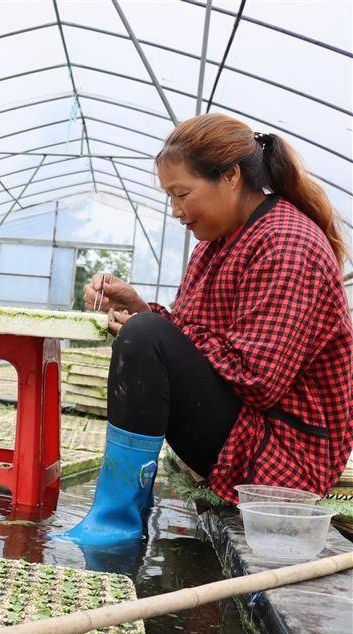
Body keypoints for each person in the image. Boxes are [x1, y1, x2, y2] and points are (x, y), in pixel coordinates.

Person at [65, 113, 353, 549]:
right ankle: (123, 514)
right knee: (142, 335)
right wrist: (143, 311)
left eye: (182, 194)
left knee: (144, 338)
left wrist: (151, 329)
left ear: (231, 176)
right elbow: (190, 334)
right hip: (246, 427)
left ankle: (115, 523)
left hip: (282, 452)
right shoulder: (216, 244)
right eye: (170, 198)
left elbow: (258, 379)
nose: (177, 210)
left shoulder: (287, 243)